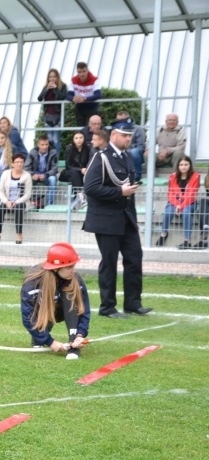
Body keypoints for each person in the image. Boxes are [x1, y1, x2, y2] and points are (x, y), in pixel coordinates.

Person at [83, 119, 152, 319]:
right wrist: (119, 191)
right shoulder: (101, 157)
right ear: (113, 135)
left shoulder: (128, 157)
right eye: (124, 135)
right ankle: (108, 307)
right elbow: (91, 188)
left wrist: (127, 191)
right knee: (109, 263)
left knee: (134, 258)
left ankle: (133, 303)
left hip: (126, 218)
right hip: (106, 219)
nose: (128, 139)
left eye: (130, 135)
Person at [20, 242, 90, 360]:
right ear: (56, 268)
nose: (73, 271)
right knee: (45, 304)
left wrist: (80, 334)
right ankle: (39, 336)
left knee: (70, 294)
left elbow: (85, 310)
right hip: (45, 312)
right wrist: (50, 342)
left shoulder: (75, 279)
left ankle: (73, 345)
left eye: (73, 266)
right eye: (69, 267)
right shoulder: (33, 282)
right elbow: (28, 317)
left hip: (63, 311)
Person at [155, 156, 200, 249]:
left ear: (190, 165)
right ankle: (163, 234)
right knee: (168, 212)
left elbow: (191, 194)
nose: (183, 167)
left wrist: (181, 206)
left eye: (186, 164)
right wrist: (177, 205)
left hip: (189, 203)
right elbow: (171, 193)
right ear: (178, 166)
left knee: (186, 213)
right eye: (181, 165)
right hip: (174, 202)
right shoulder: (173, 176)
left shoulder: (195, 176)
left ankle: (187, 240)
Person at [0, 153, 32, 244]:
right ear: (12, 164)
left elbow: (27, 194)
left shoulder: (27, 175)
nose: (19, 164)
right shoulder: (6, 174)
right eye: (17, 162)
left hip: (21, 201)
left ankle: (19, 234)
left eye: (21, 162)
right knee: (1, 208)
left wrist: (16, 202)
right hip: (7, 201)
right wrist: (6, 201)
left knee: (19, 207)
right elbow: (0, 191)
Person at [37, 69, 68, 153]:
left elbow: (62, 97)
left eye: (54, 76)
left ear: (57, 77)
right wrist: (46, 89)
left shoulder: (63, 86)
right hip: (47, 116)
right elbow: (39, 98)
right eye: (50, 77)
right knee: (49, 139)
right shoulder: (45, 87)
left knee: (56, 139)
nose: (52, 79)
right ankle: (50, 159)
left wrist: (55, 89)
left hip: (57, 116)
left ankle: (55, 160)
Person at [24, 135, 59, 209]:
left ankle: (49, 205)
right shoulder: (32, 153)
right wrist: (33, 175)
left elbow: (54, 168)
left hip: (47, 175)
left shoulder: (53, 153)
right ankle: (29, 202)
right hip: (35, 175)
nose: (45, 147)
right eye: (42, 145)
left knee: (53, 179)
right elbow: (26, 167)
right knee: (26, 178)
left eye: (46, 144)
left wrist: (46, 175)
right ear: (38, 145)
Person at [60, 131, 91, 211]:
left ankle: (72, 204)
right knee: (74, 173)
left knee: (73, 179)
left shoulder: (88, 148)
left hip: (82, 174)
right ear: (73, 140)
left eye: (81, 137)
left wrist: (86, 169)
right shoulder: (69, 148)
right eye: (76, 138)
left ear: (84, 138)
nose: (79, 140)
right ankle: (82, 199)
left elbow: (90, 161)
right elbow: (68, 166)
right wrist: (80, 169)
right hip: (69, 172)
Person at [66, 61, 102, 127]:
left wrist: (85, 99)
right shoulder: (73, 80)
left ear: (87, 70)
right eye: (79, 72)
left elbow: (98, 95)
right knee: (80, 130)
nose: (82, 74)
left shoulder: (95, 80)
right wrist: (73, 99)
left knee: (90, 129)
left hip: (92, 108)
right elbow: (68, 95)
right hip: (79, 109)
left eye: (84, 71)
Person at [115, 111, 145, 179]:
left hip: (133, 151)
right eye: (118, 120)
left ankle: (137, 176)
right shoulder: (116, 130)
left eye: (122, 120)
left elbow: (140, 146)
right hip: (121, 150)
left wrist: (127, 149)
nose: (120, 122)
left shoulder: (138, 129)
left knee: (134, 152)